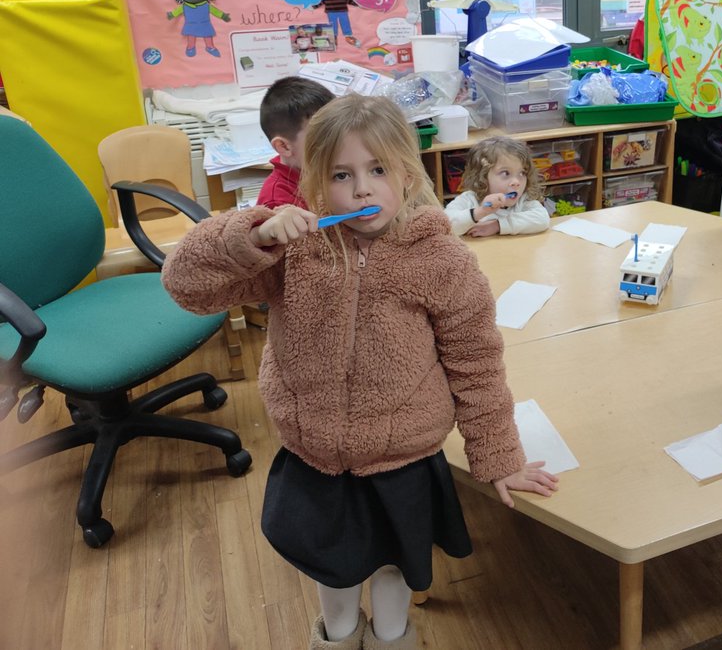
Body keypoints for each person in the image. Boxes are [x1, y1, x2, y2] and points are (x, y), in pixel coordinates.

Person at [163, 95, 558, 650]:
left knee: (396, 566)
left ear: (406, 173)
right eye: (342, 175)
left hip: (404, 457)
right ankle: (338, 637)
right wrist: (252, 236)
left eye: (378, 170)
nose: (363, 189)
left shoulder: (444, 261)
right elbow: (185, 285)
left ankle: (394, 638)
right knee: (335, 569)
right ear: (315, 183)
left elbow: (478, 366)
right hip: (315, 454)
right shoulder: (295, 252)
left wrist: (499, 457)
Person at [445, 136, 550, 237]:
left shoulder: (523, 201)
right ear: (483, 176)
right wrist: (480, 212)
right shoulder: (469, 199)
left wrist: (497, 225)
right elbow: (445, 225)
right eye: (505, 173)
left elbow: (543, 219)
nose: (516, 182)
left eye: (522, 173)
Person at [256, 75, 334, 209]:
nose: (335, 144)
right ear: (284, 147)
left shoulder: (316, 169)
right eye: (322, 137)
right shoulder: (277, 205)